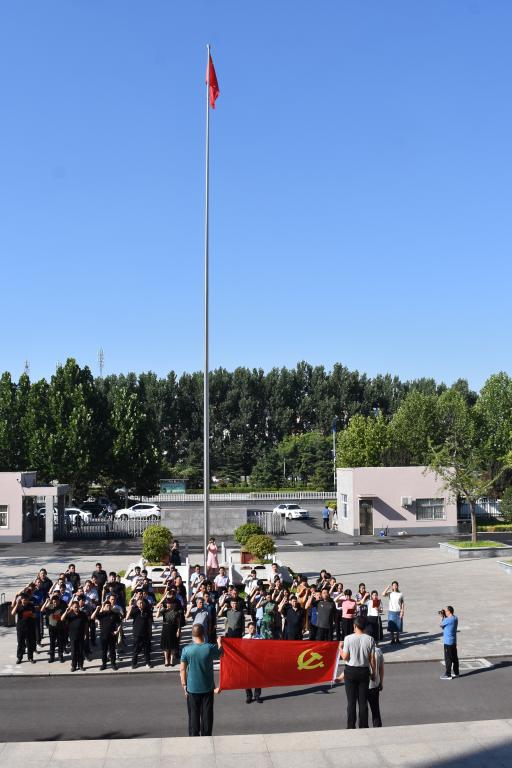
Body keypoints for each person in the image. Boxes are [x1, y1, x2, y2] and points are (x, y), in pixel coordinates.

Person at [180, 624, 223, 737]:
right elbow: (221, 653)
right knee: (207, 716)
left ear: (192, 634)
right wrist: (219, 642)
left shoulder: (186, 650)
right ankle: (206, 736)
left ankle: (194, 737)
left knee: (193, 716)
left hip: (192, 689)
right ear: (204, 633)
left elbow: (182, 670)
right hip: (208, 688)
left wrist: (184, 686)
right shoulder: (209, 648)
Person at [339, 617, 376, 729]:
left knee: (351, 701)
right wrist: (373, 672)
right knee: (363, 701)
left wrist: (340, 648)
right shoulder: (370, 639)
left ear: (355, 626)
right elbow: (372, 659)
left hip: (350, 670)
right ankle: (363, 725)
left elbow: (345, 657)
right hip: (364, 671)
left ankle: (351, 725)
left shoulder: (348, 638)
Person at [92, 600, 121, 670]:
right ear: (104, 607)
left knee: (112, 651)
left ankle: (113, 664)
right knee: (104, 651)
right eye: (107, 606)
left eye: (109, 606)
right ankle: (104, 664)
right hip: (103, 636)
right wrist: (97, 609)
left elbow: (119, 623)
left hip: (112, 636)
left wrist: (117, 631)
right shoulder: (101, 614)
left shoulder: (114, 614)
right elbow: (92, 617)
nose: (108, 607)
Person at [127, 596, 153, 668]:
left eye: (142, 603)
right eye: (139, 603)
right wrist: (130, 608)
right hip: (137, 633)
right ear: (137, 604)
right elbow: (127, 618)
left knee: (146, 649)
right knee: (136, 649)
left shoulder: (148, 611)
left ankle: (148, 663)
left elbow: (150, 622)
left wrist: (150, 632)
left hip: (146, 633)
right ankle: (134, 663)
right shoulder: (135, 611)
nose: (141, 604)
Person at [11, 592, 37, 664]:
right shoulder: (18, 606)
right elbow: (12, 613)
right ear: (21, 599)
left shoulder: (31, 605)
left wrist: (31, 615)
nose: (26, 601)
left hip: (30, 627)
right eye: (24, 600)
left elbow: (35, 615)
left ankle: (30, 657)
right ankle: (19, 658)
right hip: (21, 628)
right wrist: (17, 604)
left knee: (30, 643)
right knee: (20, 643)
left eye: (27, 599)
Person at [62, 599, 87, 671]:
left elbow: (86, 624)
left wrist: (85, 634)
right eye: (75, 607)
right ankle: (74, 666)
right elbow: (62, 619)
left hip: (81, 635)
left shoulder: (83, 614)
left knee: (80, 651)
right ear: (72, 607)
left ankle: (81, 665)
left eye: (77, 607)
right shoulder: (69, 614)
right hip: (72, 636)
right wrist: (66, 612)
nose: (76, 608)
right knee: (73, 652)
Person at [157, 596, 181, 667]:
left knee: (173, 646)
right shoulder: (164, 611)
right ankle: (166, 660)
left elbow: (178, 623)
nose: (168, 604)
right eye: (167, 603)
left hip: (173, 628)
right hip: (165, 629)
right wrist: (159, 608)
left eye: (169, 603)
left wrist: (178, 630)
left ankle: (171, 660)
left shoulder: (177, 612)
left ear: (173, 604)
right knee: (166, 646)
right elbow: (157, 616)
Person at [41, 593, 66, 663]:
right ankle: (52, 657)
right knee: (52, 643)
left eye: (57, 601)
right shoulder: (50, 606)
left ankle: (60, 656)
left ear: (59, 601)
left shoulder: (62, 607)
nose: (55, 603)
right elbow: (42, 610)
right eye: (54, 602)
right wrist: (47, 602)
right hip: (52, 628)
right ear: (52, 601)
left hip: (60, 627)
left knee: (60, 643)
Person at [243, 621, 262, 703]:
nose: (252, 630)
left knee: (258, 679)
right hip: (247, 661)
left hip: (256, 661)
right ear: (248, 629)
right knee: (247, 679)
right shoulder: (244, 638)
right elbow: (242, 649)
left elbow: (262, 650)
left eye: (254, 628)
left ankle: (257, 696)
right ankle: (249, 696)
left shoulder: (259, 638)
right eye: (251, 628)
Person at [440, 605, 459, 680]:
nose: (444, 612)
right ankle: (456, 673)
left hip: (448, 642)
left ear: (449, 611)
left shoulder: (448, 620)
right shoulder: (455, 618)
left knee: (448, 659)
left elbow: (441, 625)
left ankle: (448, 674)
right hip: (453, 641)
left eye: (445, 611)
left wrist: (442, 617)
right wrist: (445, 616)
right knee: (454, 658)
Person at [367, 642, 384, 726]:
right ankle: (377, 727)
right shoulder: (379, 651)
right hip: (374, 684)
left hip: (362, 684)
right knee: (375, 709)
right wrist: (381, 682)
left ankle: (364, 726)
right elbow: (381, 669)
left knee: (363, 709)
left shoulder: (362, 650)